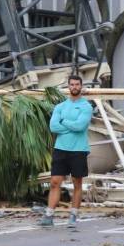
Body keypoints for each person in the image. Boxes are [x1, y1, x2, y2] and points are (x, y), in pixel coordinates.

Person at [40, 74, 92, 230]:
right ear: (68, 87)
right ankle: (49, 215)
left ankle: (73, 215)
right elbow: (53, 127)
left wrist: (64, 121)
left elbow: (80, 127)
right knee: (55, 182)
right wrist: (70, 125)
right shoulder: (60, 107)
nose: (74, 87)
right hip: (60, 149)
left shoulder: (86, 107)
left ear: (81, 86)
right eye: (72, 84)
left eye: (77, 84)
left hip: (78, 150)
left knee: (77, 183)